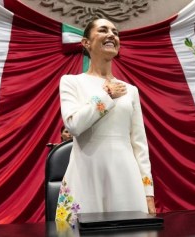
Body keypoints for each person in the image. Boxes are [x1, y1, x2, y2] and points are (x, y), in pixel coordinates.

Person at [57, 18, 155, 224]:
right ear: (86, 43)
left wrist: (148, 192)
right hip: (85, 173)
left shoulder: (131, 90)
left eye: (115, 32)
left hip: (126, 175)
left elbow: (139, 144)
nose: (112, 35)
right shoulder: (71, 82)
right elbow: (74, 125)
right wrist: (106, 96)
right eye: (103, 30)